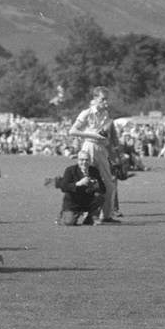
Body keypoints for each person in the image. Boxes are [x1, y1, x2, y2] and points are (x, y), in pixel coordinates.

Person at [69, 87, 120, 223]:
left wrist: (111, 147)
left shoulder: (106, 115)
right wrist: (91, 134)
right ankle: (86, 215)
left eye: (107, 99)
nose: (106, 102)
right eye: (103, 99)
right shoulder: (86, 113)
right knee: (88, 181)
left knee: (109, 184)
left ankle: (106, 215)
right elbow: (72, 131)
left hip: (102, 149)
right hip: (89, 146)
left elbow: (108, 134)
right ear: (95, 98)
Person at [55, 150, 102, 226]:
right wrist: (78, 183)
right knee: (69, 222)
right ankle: (62, 216)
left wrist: (96, 186)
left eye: (86, 160)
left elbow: (103, 188)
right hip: (72, 202)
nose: (84, 162)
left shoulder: (94, 171)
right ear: (77, 160)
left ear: (90, 161)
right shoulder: (70, 170)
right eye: (81, 160)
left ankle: (90, 218)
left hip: (87, 201)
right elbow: (64, 187)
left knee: (100, 196)